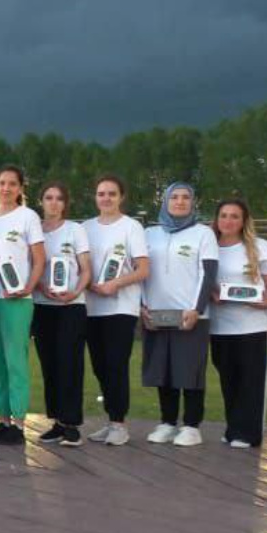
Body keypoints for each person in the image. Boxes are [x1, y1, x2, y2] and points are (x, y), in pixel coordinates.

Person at [0, 165, 45, 445]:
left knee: (16, 361)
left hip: (16, 299)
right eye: (2, 183)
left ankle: (19, 423)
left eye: (12, 184)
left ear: (20, 188)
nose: (6, 188)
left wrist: (28, 287)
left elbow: (39, 259)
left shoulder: (28, 217)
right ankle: (3, 421)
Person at [140, 182, 218, 447]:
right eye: (174, 197)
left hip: (190, 314)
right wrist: (143, 306)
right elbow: (140, 271)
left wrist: (196, 309)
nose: (180, 202)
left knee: (190, 371)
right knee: (163, 371)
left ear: (193, 202)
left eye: (186, 197)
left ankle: (192, 426)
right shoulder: (149, 234)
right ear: (165, 202)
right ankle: (167, 422)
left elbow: (208, 273)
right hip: (156, 313)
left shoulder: (203, 234)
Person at [82, 174, 150, 446]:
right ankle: (111, 421)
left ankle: (119, 425)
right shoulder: (85, 227)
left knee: (116, 365)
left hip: (121, 308)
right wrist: (87, 284)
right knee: (99, 367)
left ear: (121, 197)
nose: (106, 198)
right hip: (91, 308)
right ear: (95, 197)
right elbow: (79, 266)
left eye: (112, 193)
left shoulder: (131, 227)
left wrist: (115, 284)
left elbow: (143, 269)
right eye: (101, 193)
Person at [209, 199, 267, 448]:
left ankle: (248, 433)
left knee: (251, 380)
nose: (228, 221)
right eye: (224, 215)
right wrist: (212, 294)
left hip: (254, 326)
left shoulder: (260, 246)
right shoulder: (208, 246)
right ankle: (233, 429)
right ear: (216, 219)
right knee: (228, 379)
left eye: (234, 216)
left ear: (244, 221)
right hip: (220, 326)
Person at [31, 182, 92, 446]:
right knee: (49, 365)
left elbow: (86, 269)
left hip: (71, 307)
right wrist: (41, 286)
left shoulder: (75, 230)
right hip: (42, 306)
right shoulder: (34, 231)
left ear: (65, 203)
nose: (53, 203)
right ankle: (56, 421)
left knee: (70, 364)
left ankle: (72, 425)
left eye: (58, 198)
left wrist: (75, 292)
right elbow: (31, 267)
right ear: (41, 202)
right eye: (48, 198)